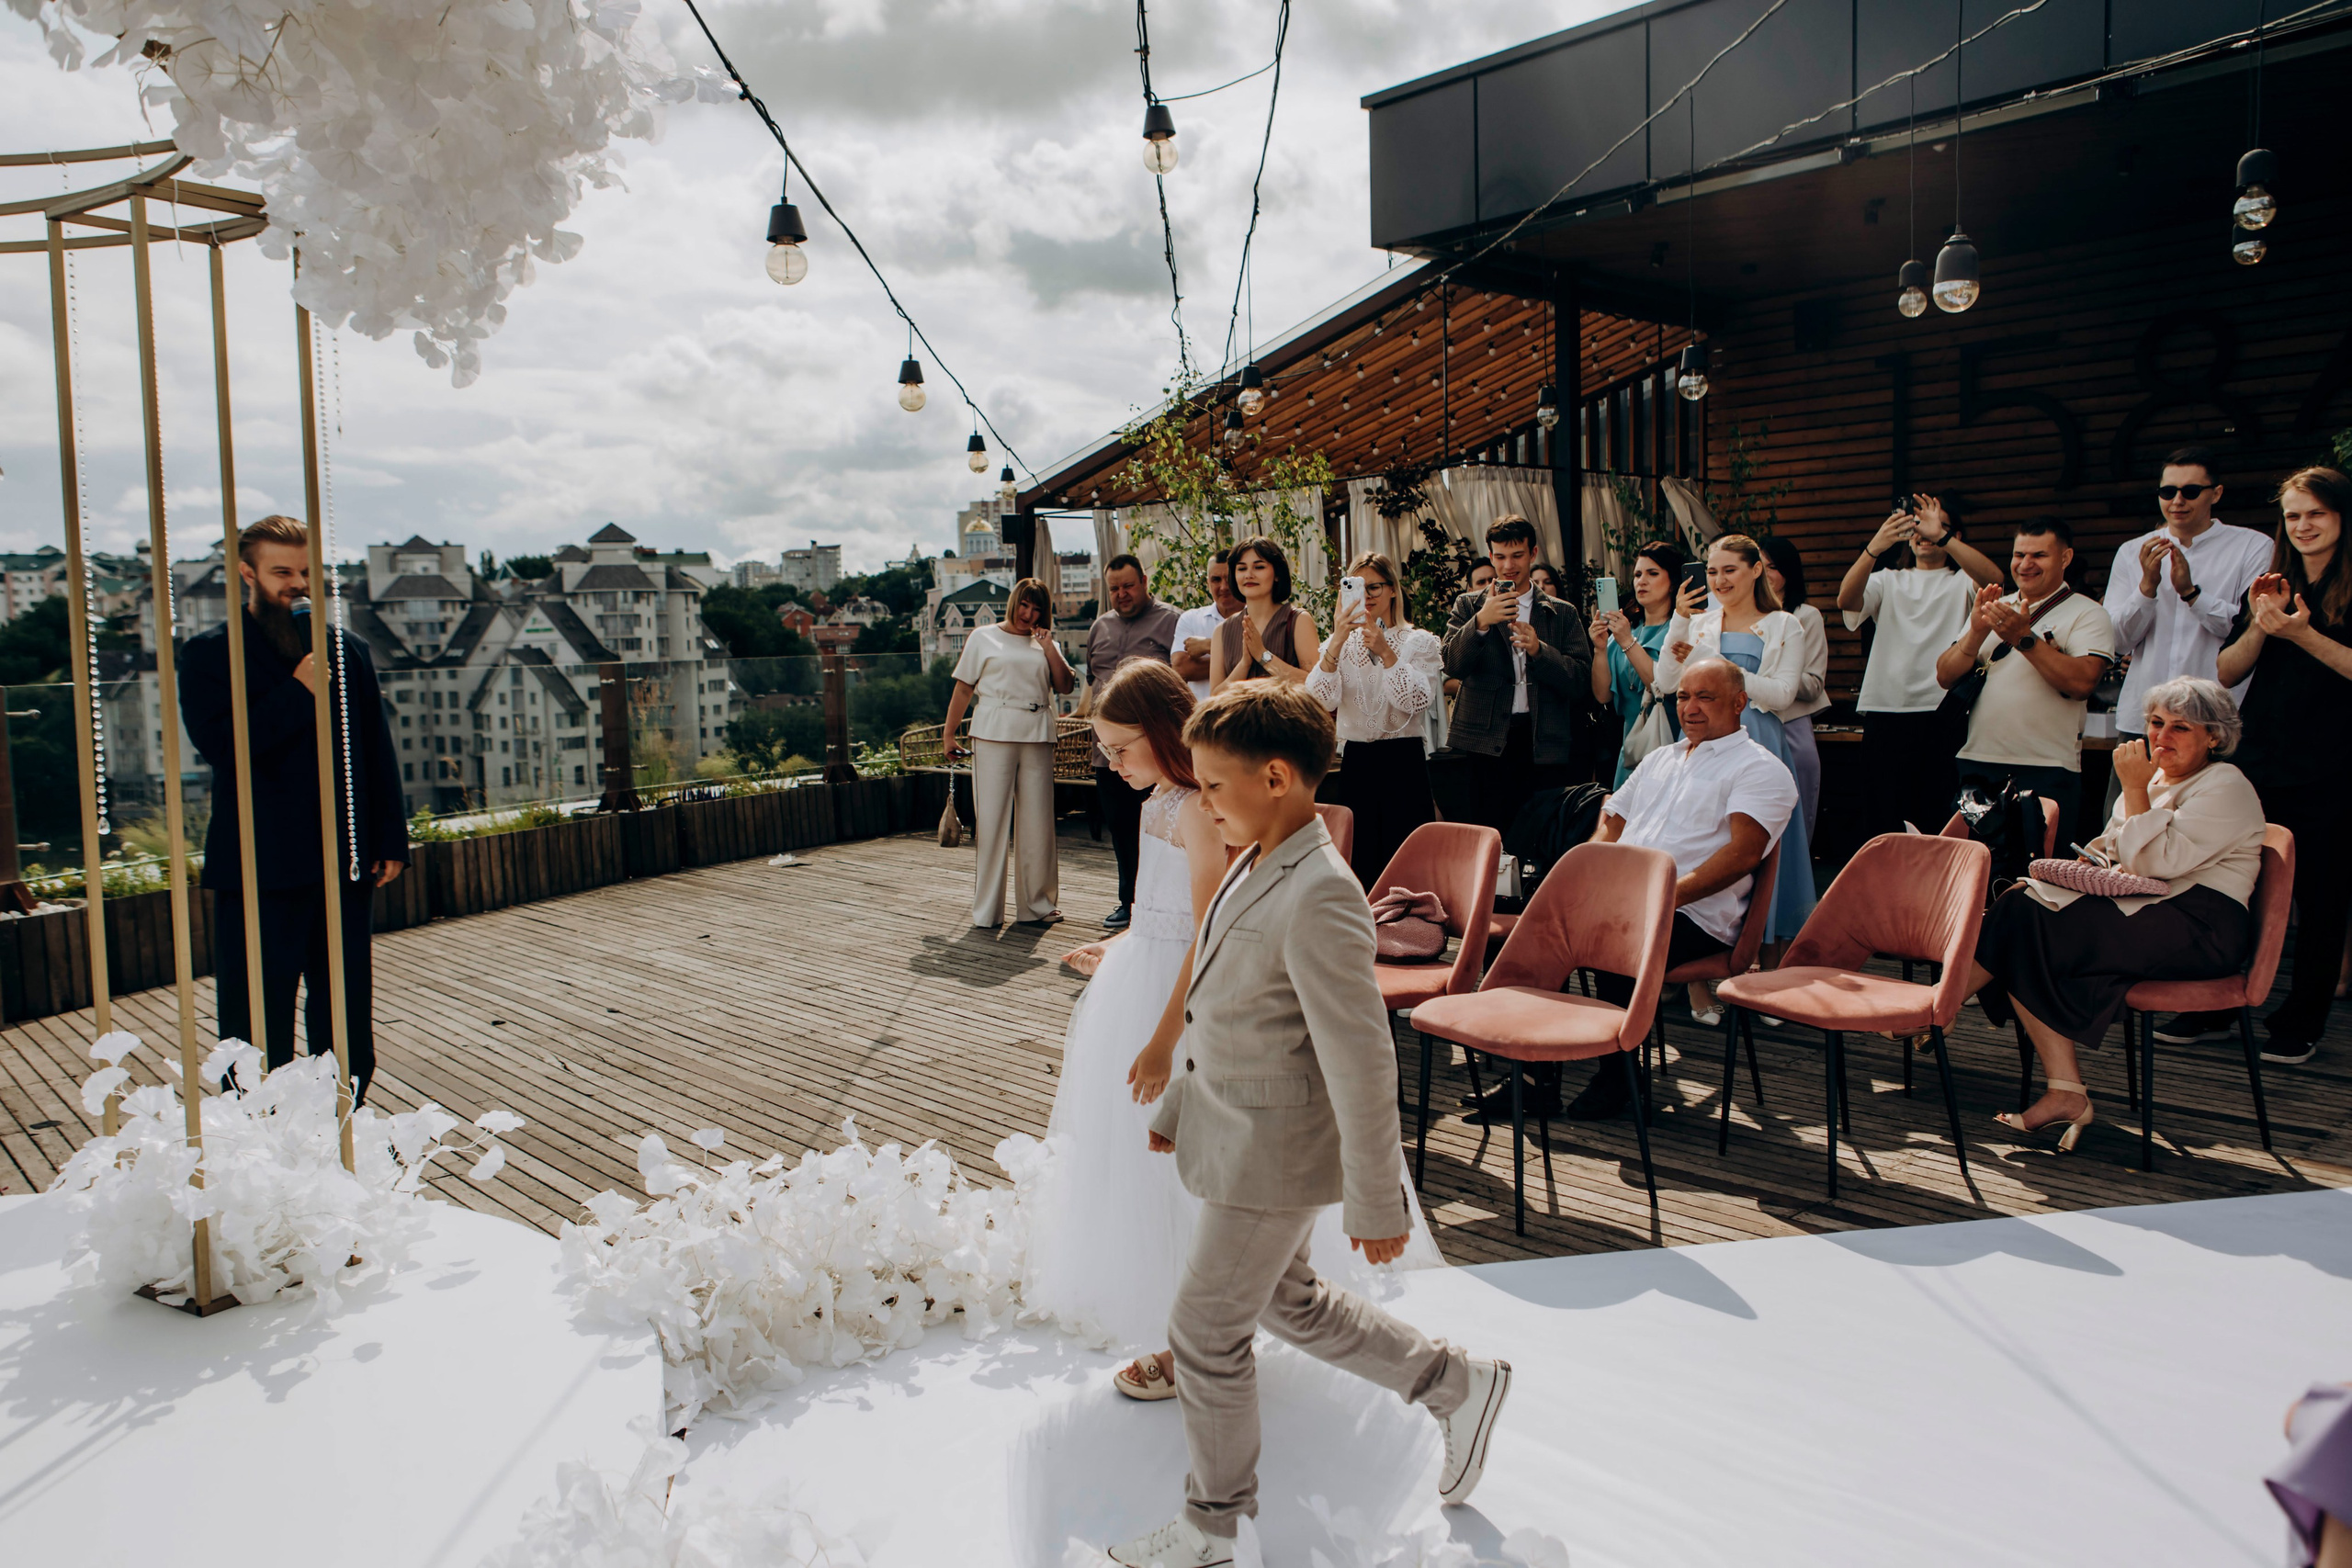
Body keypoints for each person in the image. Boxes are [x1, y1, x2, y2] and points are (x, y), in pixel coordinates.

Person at [1102, 680, 1508, 1568]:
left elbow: (1361, 1057)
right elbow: (1223, 998)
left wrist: (1375, 1198)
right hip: (1238, 1127)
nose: (1200, 803)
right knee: (1289, 1301)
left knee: (1206, 1332)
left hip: (1274, 1153)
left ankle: (1215, 1524)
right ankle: (1455, 1383)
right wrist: (1177, 1104)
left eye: (1213, 786)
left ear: (1277, 776)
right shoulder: (1256, 854)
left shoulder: (1321, 890)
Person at [1023, 659, 1441, 1403]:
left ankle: (1210, 1414)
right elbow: (1175, 916)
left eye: (1121, 748)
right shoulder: (1172, 806)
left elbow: (1216, 930)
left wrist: (1163, 1039)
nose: (1111, 765)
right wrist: (1119, 947)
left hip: (1199, 1017)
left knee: (1220, 1223)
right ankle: (1193, 1332)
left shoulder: (1225, 828)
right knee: (1182, 1199)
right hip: (1155, 979)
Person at [1962, 676, 2265, 1150]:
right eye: (2156, 723)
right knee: (2023, 912)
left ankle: (1938, 1006)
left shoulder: (2226, 784)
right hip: (2147, 912)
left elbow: (2153, 863)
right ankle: (2063, 1091)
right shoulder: (2152, 779)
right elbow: (2113, 850)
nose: (2162, 737)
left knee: (2023, 915)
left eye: (2180, 728)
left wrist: (2135, 790)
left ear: (2214, 737)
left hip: (2201, 928)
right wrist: (2095, 856)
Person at [179, 514, 408, 1106]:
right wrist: (299, 690)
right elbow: (223, 746)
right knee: (258, 1015)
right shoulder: (209, 655)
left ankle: (346, 1118)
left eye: (307, 571)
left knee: (345, 1010)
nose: (298, 584)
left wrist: (388, 838)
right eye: (282, 572)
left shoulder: (347, 650)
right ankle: (258, 1133)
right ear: (246, 572)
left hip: (341, 861)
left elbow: (374, 749)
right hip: (259, 866)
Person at [1546, 658, 1802, 1123]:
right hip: (1626, 902)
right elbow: (1612, 826)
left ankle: (1618, 1075)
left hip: (1697, 916)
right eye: (1683, 696)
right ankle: (1535, 1074)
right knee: (1544, 930)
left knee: (1609, 939)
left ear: (1740, 702)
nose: (1691, 708)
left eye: (1706, 697)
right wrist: (1582, 879)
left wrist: (1665, 897)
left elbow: (1745, 854)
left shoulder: (1760, 768)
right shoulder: (1660, 758)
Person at [2175, 467, 2352, 1064]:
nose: (2302, 526)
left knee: (2322, 898)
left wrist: (2301, 635)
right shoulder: (2281, 578)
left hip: (2333, 766)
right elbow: (2226, 672)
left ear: (2342, 516)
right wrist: (2264, 623)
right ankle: (2216, 1005)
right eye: (2294, 515)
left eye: (2316, 514)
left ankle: (2302, 1021)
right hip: (2263, 758)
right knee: (2235, 885)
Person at [1654, 534, 1818, 946]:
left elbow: (1782, 694)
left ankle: (1766, 964)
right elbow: (1665, 681)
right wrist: (1679, 619)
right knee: (1696, 841)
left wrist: (1721, 669)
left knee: (1756, 850)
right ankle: (1694, 982)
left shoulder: (1786, 624)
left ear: (1756, 570)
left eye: (1730, 570)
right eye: (1712, 572)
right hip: (1701, 743)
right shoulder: (1700, 621)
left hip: (1760, 743)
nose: (1719, 581)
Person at [1936, 517, 2115, 852]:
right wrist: (1975, 632)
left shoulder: (2088, 613)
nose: (2025, 564)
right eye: (2019, 555)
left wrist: (2023, 638)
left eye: (2039, 556)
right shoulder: (1993, 605)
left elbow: (2082, 683)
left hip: (2046, 767)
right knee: (1972, 871)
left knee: (2038, 876)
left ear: (2065, 558)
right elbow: (1945, 675)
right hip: (1978, 762)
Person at [1836, 495, 2004, 838]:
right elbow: (1846, 601)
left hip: (1944, 712)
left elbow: (1995, 579)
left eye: (1938, 526)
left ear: (1954, 533)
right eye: (1918, 528)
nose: (1925, 534)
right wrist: (1874, 547)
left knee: (1939, 815)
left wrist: (1942, 536)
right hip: (1886, 710)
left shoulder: (1962, 580)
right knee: (1884, 816)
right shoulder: (1888, 579)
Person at [2103, 446, 2272, 727]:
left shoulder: (2252, 547)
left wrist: (2192, 595)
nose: (2177, 501)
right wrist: (2147, 588)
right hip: (2144, 719)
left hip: (2215, 720)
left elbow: (2251, 632)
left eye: (2190, 491)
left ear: (2216, 493)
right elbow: (2117, 641)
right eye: (2168, 492)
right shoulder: (2132, 552)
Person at [1441, 515, 1589, 833]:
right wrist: (1481, 621)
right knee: (1490, 837)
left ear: (1533, 553)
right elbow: (1452, 665)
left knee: (1545, 834)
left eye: (1517, 555)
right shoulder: (1468, 606)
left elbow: (1580, 681)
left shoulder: (1562, 612)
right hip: (1485, 739)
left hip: (1543, 739)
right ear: (1491, 556)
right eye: (1501, 556)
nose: (1509, 565)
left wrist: (1540, 651)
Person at [941, 578, 1074, 928]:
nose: (1028, 615)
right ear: (1013, 601)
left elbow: (1065, 685)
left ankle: (1038, 905)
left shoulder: (1046, 643)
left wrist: (1049, 648)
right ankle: (987, 910)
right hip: (993, 733)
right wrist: (949, 734)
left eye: (1036, 609)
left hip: (1037, 734)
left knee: (1038, 823)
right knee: (992, 821)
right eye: (1024, 605)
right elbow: (964, 687)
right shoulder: (982, 636)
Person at [1306, 550, 1442, 886]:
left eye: (1374, 588)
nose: (1365, 597)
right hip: (1356, 761)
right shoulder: (1339, 644)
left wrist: (1386, 652)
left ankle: (1411, 935)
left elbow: (1416, 701)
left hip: (1403, 759)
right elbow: (1318, 699)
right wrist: (1337, 638)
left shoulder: (1418, 641)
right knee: (1360, 863)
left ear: (1393, 589)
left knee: (1406, 867)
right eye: (1356, 588)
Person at [1086, 554, 1182, 930]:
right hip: (1107, 752)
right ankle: (1129, 900)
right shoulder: (1099, 627)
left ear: (1144, 581)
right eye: (1114, 588)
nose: (1121, 593)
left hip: (1151, 750)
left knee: (1157, 829)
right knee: (1121, 828)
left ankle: (1157, 902)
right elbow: (1093, 683)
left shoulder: (1171, 620)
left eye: (1128, 585)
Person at [1589, 541, 1685, 787]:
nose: (1641, 581)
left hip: (1669, 738)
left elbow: (1660, 684)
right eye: (1637, 574)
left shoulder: (1679, 631)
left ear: (1672, 581)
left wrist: (1626, 642)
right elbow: (1602, 695)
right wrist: (1601, 649)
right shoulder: (1629, 629)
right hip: (1632, 745)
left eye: (1653, 574)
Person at [1759, 536, 1830, 839]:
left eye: (1772, 567)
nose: (1764, 575)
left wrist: (1767, 672)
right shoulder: (1737, 618)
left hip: (1791, 728)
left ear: (1788, 572)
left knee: (1794, 827)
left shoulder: (1806, 616)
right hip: (1749, 726)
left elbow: (1814, 684)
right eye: (1758, 567)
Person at [1209, 536, 1320, 694]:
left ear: (1277, 574)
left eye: (1259, 567)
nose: (1249, 574)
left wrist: (1263, 655)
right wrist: (1244, 665)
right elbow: (1214, 697)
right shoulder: (1222, 630)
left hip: (1286, 717)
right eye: (1241, 568)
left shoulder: (1298, 620)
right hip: (1238, 718)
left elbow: (1316, 684)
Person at [1171, 548, 1241, 702]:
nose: (1223, 587)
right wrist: (1243, 659)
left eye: (1229, 579)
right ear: (1208, 583)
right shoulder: (1190, 619)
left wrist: (1210, 646)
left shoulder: (1257, 617)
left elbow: (1263, 659)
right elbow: (1181, 669)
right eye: (1216, 579)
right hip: (1202, 718)